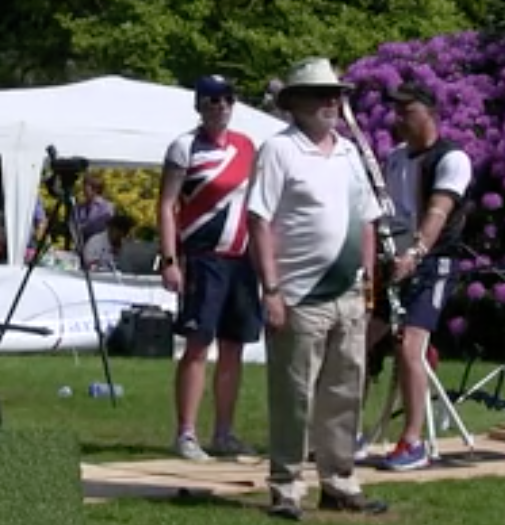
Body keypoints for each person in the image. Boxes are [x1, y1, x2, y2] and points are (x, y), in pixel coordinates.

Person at [247, 57, 388, 520]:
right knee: (294, 395)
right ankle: (286, 487)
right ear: (298, 103)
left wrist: (367, 281)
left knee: (344, 392)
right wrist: (271, 289)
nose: (334, 102)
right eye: (323, 94)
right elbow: (259, 221)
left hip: (348, 293)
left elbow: (367, 219)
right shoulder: (278, 150)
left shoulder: (349, 152)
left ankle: (339, 482)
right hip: (298, 293)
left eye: (337, 94)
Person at [363, 82, 473, 471]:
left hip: (432, 264)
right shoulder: (394, 158)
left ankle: (411, 442)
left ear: (430, 114)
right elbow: (384, 213)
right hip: (391, 263)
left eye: (407, 112)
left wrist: (417, 252)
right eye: (396, 112)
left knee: (411, 345)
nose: (398, 120)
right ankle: (346, 432)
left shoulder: (451, 159)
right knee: (357, 341)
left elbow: (438, 213)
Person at [157, 74, 262, 461]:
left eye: (226, 99)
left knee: (234, 347)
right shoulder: (185, 147)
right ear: (199, 105)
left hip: (242, 257)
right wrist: (169, 259)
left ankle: (224, 431)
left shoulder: (247, 146)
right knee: (198, 344)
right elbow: (168, 205)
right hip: (203, 256)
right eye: (212, 100)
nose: (220, 106)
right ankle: (186, 432)